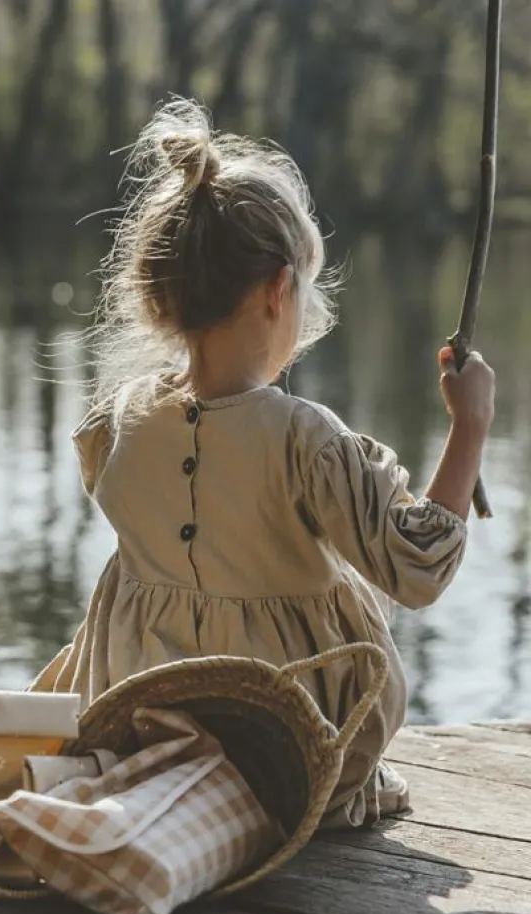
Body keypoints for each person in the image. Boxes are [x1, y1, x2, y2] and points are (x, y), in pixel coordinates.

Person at [29, 99, 496, 827]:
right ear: (280, 290)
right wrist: (470, 427)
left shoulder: (120, 421)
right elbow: (416, 565)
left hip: (146, 728)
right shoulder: (302, 441)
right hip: (287, 752)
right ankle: (297, 801)